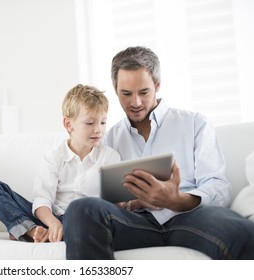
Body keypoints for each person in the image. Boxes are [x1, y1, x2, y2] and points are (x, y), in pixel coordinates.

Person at [63, 46, 254, 259]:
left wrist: (178, 199)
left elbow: (218, 187)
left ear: (157, 85)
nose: (135, 102)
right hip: (135, 222)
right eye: (126, 94)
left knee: (243, 232)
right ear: (115, 89)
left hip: (190, 216)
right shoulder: (108, 138)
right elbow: (100, 195)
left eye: (144, 92)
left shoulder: (193, 123)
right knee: (82, 209)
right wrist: (125, 203)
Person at [0, 84, 120, 242]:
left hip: (87, 219)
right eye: (90, 123)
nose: (98, 130)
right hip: (51, 219)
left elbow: (113, 205)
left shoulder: (110, 157)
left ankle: (24, 230)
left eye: (103, 122)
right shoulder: (54, 157)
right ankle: (34, 230)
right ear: (68, 124)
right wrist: (53, 223)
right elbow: (42, 200)